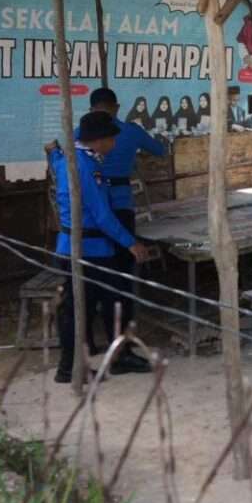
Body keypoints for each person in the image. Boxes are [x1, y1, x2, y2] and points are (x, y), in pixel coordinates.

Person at [50, 111, 154, 383]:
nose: (114, 144)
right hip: (89, 248)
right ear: (98, 140)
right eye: (111, 139)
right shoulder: (85, 166)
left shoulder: (71, 158)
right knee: (88, 307)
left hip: (84, 246)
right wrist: (130, 243)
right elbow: (102, 214)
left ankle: (109, 357)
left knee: (97, 304)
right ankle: (72, 367)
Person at [89, 88, 166, 344]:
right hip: (121, 204)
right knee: (123, 271)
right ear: (117, 107)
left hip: (93, 209)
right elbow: (160, 150)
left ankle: (98, 328)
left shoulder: (81, 136)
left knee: (97, 269)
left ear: (91, 110)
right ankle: (123, 331)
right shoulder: (131, 132)